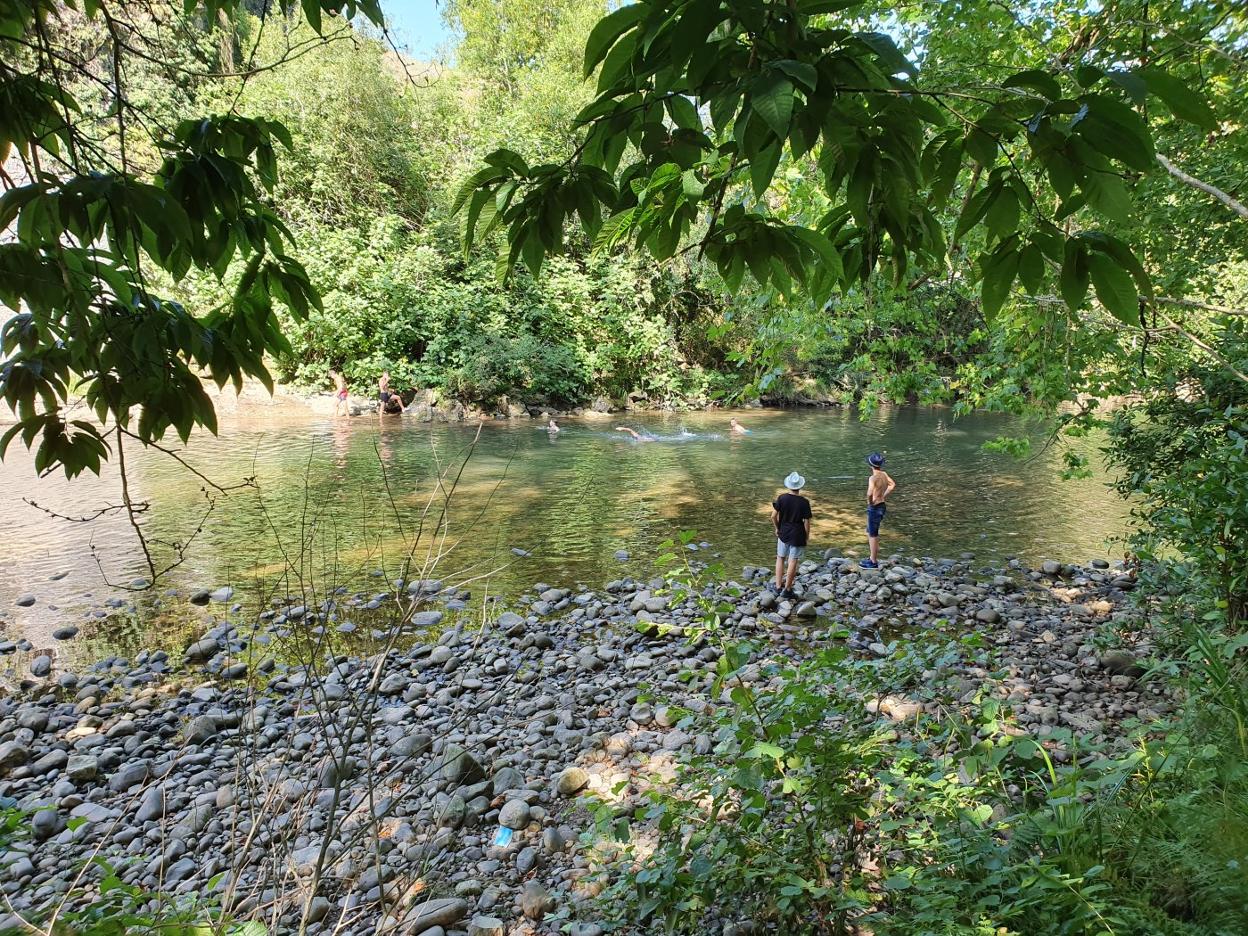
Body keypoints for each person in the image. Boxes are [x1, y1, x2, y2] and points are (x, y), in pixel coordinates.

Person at [772, 471, 812, 599]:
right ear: (800, 486)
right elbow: (806, 522)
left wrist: (777, 528)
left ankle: (778, 587)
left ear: (788, 485)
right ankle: (787, 589)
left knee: (780, 557)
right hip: (797, 534)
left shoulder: (782, 498)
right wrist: (806, 536)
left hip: (784, 531)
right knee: (793, 561)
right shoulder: (804, 502)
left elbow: (773, 516)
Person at [861, 452, 896, 569]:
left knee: (872, 534)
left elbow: (869, 493)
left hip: (874, 508)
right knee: (871, 531)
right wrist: (883, 496)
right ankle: (872, 555)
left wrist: (870, 502)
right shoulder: (884, 474)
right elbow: (892, 485)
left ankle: (873, 561)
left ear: (870, 465)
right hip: (882, 506)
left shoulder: (873, 478)